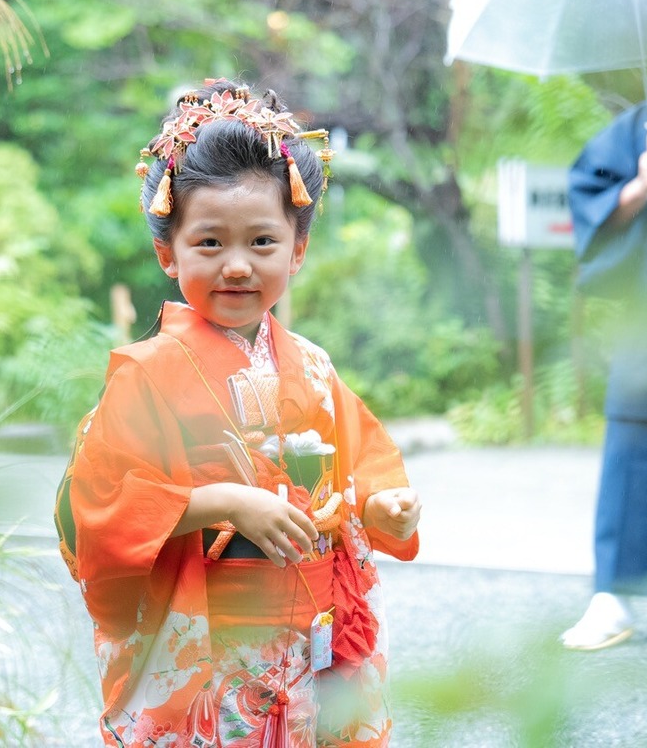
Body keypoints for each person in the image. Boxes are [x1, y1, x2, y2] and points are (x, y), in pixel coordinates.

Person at [57, 79, 421, 747]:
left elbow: (360, 460)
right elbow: (97, 508)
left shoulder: (311, 364)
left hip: (309, 628)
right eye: (209, 244)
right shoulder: (147, 374)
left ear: (298, 248)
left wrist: (380, 504)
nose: (237, 266)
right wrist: (219, 500)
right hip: (209, 640)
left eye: (261, 242)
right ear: (168, 253)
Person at [562, 0, 647, 651]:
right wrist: (637, 187)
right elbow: (591, 197)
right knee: (636, 454)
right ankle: (612, 595)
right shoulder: (644, 128)